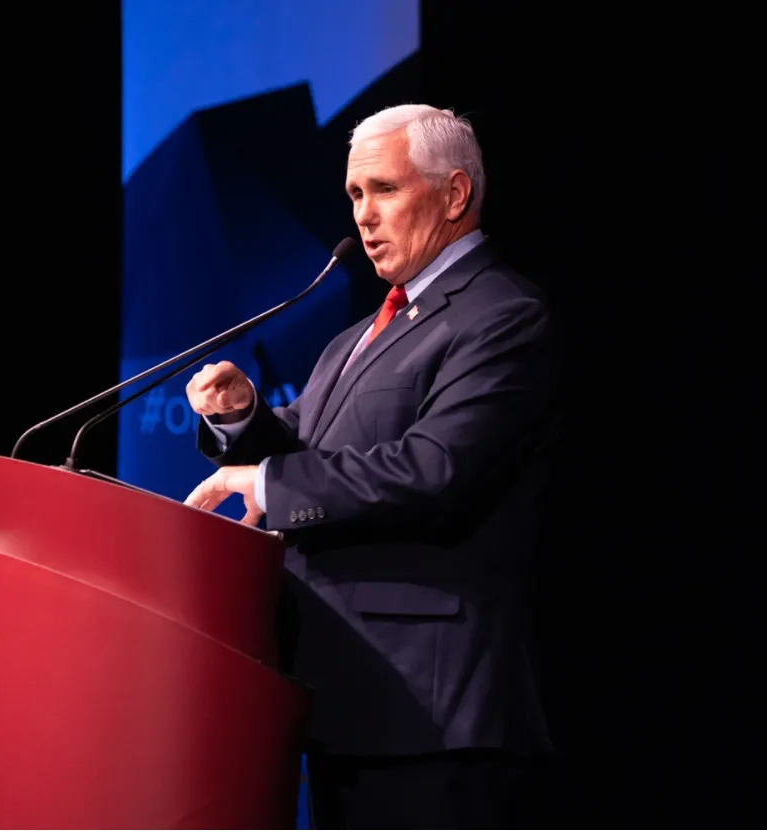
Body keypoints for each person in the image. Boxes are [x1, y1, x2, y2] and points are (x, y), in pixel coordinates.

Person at [182, 104, 557, 829]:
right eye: (355, 196)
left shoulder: (502, 317)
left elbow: (434, 470)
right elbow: (320, 451)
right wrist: (241, 420)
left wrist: (261, 483)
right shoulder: (359, 334)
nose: (364, 215)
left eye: (384, 189)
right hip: (345, 697)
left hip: (431, 710)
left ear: (454, 195)